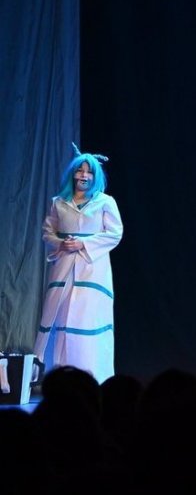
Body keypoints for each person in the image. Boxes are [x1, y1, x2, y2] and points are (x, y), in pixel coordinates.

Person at [34, 143, 124, 384]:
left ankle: (92, 379)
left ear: (95, 177)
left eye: (89, 172)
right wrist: (61, 244)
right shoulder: (58, 202)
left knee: (86, 319)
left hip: (91, 270)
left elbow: (114, 233)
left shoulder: (105, 202)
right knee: (60, 318)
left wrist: (83, 244)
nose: (84, 175)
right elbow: (47, 232)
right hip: (64, 268)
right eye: (80, 170)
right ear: (72, 174)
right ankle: (59, 378)